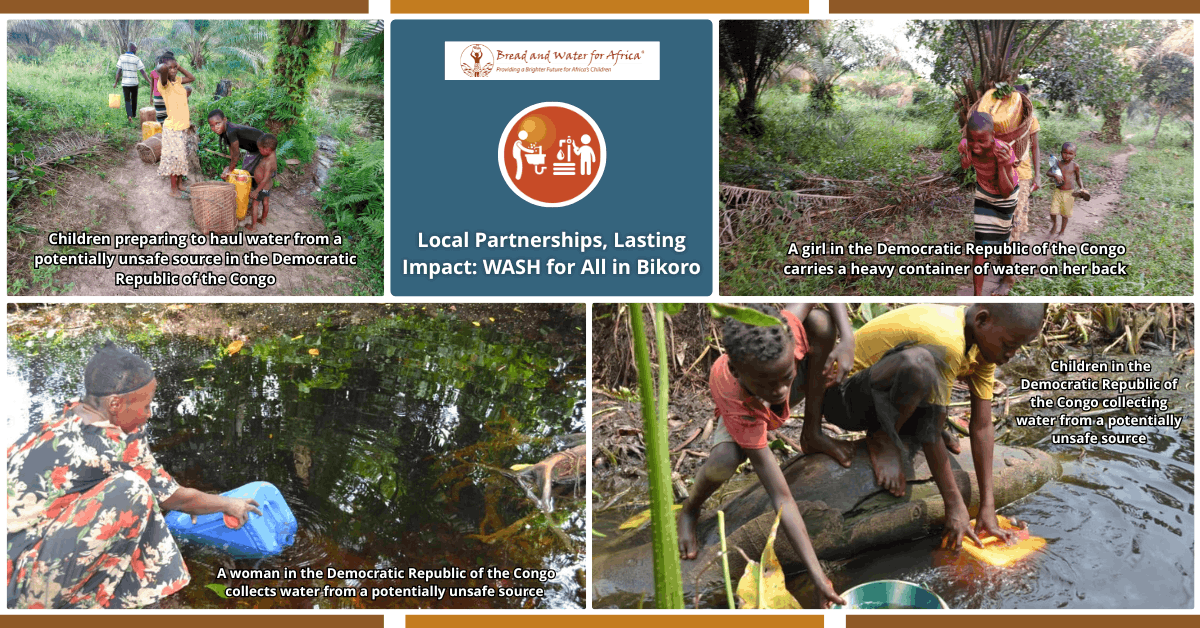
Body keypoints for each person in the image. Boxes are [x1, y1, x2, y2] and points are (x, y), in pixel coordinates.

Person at [7, 341, 261, 608]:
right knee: (134, 491)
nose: (150, 414)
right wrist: (229, 504)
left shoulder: (60, 419)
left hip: (16, 559)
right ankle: (133, 605)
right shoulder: (112, 444)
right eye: (147, 405)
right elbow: (177, 499)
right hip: (23, 584)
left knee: (132, 493)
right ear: (115, 403)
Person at [803, 303, 1045, 550]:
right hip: (844, 398)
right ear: (983, 320)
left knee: (929, 385)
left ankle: (902, 427)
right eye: (1008, 345)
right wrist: (955, 506)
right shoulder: (947, 338)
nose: (1010, 354)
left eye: (1017, 348)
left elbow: (982, 426)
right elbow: (930, 433)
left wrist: (987, 507)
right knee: (919, 364)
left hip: (885, 393)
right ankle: (882, 436)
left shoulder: (983, 345)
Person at [678, 303, 855, 608]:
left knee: (822, 323)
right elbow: (782, 498)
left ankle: (811, 432)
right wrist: (816, 574)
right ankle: (690, 509)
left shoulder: (783, 333)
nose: (781, 391)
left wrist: (847, 339)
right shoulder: (737, 393)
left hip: (764, 375)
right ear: (737, 370)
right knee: (724, 462)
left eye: (787, 378)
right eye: (770, 385)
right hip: (744, 401)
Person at [959, 111, 1019, 296]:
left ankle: (1008, 278)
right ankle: (977, 295)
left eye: (981, 140)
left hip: (1006, 196)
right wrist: (965, 161)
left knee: (1003, 241)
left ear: (992, 136)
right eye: (972, 140)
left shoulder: (1003, 151)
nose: (975, 145)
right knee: (981, 243)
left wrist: (1002, 164)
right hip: (984, 193)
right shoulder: (966, 146)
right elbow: (964, 165)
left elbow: (1006, 190)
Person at [155, 57, 195, 198]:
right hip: (172, 129)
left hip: (182, 127)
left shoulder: (178, 80)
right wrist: (164, 67)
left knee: (180, 158)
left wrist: (179, 66)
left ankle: (179, 185)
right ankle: (173, 190)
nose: (173, 70)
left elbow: (192, 77)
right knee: (175, 159)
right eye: (170, 68)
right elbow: (163, 72)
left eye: (175, 67)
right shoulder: (163, 84)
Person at [1010, 85, 1041, 243]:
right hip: (1003, 174)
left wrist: (1038, 176)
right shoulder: (1003, 121)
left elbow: (1035, 148)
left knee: (1017, 213)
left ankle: (1010, 251)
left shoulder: (1031, 121)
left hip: (1022, 175)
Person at [206, 109, 268, 179]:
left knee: (253, 173)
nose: (216, 128)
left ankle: (264, 189)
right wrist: (230, 167)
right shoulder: (224, 131)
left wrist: (230, 170)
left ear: (225, 119)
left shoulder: (231, 130)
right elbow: (231, 150)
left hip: (263, 145)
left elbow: (236, 153)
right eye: (212, 126)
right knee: (245, 172)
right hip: (252, 149)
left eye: (218, 123)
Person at [1048, 142, 1084, 240]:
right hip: (1058, 191)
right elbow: (1048, 172)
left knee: (1065, 214)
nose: (1067, 156)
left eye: (1070, 154)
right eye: (1065, 153)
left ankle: (1061, 232)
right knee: (1052, 212)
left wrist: (1082, 188)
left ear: (1074, 155)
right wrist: (1055, 175)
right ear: (1061, 153)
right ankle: (1055, 224)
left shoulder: (1075, 166)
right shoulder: (1058, 163)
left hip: (1069, 193)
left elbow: (1078, 178)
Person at [113, 43, 151, 124]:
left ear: (128, 48)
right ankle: (133, 114)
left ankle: (129, 115)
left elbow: (118, 71)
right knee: (134, 98)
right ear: (133, 49)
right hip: (134, 82)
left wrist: (116, 82)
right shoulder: (136, 58)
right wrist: (149, 81)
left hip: (125, 83)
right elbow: (142, 71)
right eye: (136, 48)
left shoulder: (122, 57)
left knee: (127, 100)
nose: (136, 50)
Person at [246, 134, 278, 230]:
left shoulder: (269, 162)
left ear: (267, 149)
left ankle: (253, 226)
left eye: (260, 149)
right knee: (265, 203)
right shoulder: (272, 155)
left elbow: (265, 179)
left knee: (255, 205)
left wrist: (256, 191)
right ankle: (263, 220)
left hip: (262, 187)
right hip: (267, 187)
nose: (259, 151)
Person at [149, 51, 175, 125]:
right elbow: (152, 85)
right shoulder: (153, 72)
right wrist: (150, 96)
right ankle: (161, 131)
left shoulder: (167, 72)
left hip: (167, 95)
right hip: (157, 96)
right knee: (160, 115)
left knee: (168, 115)